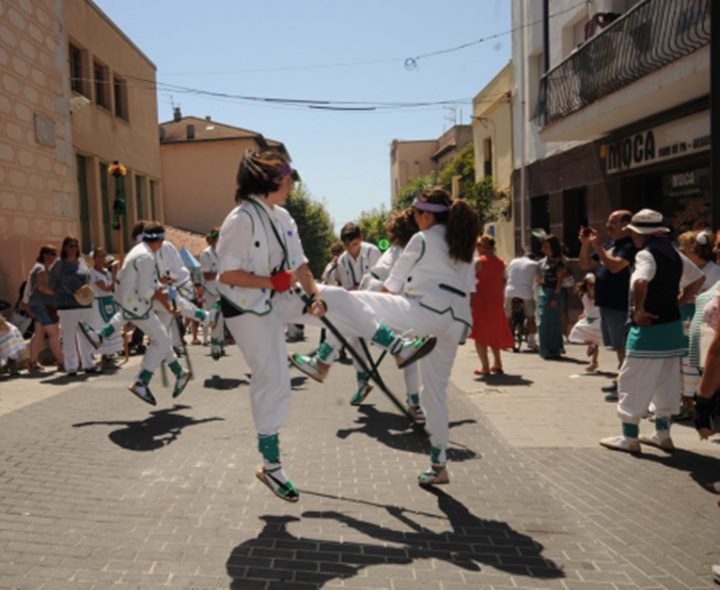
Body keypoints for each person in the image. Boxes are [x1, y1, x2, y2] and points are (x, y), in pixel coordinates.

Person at [217, 149, 438, 502]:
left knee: (340, 298)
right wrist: (270, 283)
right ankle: (270, 467)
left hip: (277, 296)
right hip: (245, 308)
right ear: (269, 178)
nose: (291, 183)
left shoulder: (284, 217)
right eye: (286, 176)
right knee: (273, 381)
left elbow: (301, 266)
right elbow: (225, 275)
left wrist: (316, 296)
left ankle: (397, 346)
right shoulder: (241, 219)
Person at [290, 186, 479, 487]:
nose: (415, 219)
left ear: (427, 215)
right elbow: (469, 290)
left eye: (417, 213)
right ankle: (439, 463)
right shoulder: (465, 245)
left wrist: (363, 308)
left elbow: (390, 286)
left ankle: (323, 357)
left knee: (345, 300)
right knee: (435, 394)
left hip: (425, 313)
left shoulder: (421, 240)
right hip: (456, 323)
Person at [599, 209, 686, 454]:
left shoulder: (646, 255)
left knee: (632, 380)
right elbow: (696, 279)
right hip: (672, 329)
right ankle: (662, 434)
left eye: (634, 232)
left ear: (640, 234)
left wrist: (639, 310)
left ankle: (630, 437)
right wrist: (677, 303)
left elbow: (639, 281)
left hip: (648, 331)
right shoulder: (674, 253)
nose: (632, 237)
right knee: (666, 382)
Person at [83, 222, 191, 405]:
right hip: (137, 304)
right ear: (159, 240)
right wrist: (165, 298)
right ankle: (143, 381)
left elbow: (148, 284)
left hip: (128, 301)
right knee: (162, 340)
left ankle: (100, 335)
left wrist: (164, 297)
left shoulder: (140, 251)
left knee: (153, 334)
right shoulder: (147, 257)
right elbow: (146, 291)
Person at [353, 208, 424, 423]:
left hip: (387, 311)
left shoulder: (394, 252)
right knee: (410, 353)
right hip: (413, 313)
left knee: (354, 337)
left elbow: (371, 278)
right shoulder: (424, 250)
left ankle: (362, 380)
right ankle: (414, 403)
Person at [579, 211, 637, 400]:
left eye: (613, 221)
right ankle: (622, 381)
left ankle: (625, 387)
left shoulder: (629, 246)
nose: (608, 224)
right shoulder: (609, 244)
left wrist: (597, 246)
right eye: (608, 220)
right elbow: (585, 264)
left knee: (622, 346)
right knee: (617, 346)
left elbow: (614, 266)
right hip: (605, 303)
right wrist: (586, 245)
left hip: (620, 303)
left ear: (626, 225)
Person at [336, 222, 382, 402]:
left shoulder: (372, 252)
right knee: (354, 342)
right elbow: (349, 289)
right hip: (357, 306)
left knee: (355, 339)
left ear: (360, 239)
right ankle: (362, 382)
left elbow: (375, 285)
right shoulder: (342, 260)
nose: (351, 249)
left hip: (377, 304)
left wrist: (358, 288)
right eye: (347, 246)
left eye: (354, 244)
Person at [48, 236, 98, 376]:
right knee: (69, 336)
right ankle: (71, 366)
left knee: (86, 334)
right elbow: (52, 285)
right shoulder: (59, 264)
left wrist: (85, 288)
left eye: (75, 245)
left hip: (85, 303)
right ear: (64, 247)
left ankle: (89, 363)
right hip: (67, 305)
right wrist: (69, 291)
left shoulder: (82, 261)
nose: (73, 248)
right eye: (70, 245)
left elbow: (89, 278)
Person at [469, 235, 514, 375]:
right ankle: (498, 363)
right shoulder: (501, 262)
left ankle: (485, 367)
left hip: (481, 301)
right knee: (493, 333)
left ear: (483, 247)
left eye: (478, 246)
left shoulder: (479, 262)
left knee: (479, 335)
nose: (477, 249)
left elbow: (470, 282)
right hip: (496, 301)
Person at [23, 244, 63, 372]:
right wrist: (57, 294)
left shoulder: (40, 267)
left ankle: (32, 363)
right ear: (44, 255)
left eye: (55, 255)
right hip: (41, 305)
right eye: (51, 254)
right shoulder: (41, 269)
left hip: (38, 305)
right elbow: (41, 287)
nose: (53, 257)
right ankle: (62, 363)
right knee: (53, 333)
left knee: (39, 334)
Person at [88, 247, 123, 365]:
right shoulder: (92, 273)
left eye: (103, 256)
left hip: (109, 302)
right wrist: (113, 276)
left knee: (111, 325)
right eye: (99, 256)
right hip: (98, 303)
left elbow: (115, 288)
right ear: (94, 258)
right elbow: (106, 288)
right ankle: (101, 354)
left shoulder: (106, 272)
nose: (101, 259)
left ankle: (109, 354)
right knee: (101, 326)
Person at [536, 235, 566, 359]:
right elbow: (541, 276)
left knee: (554, 322)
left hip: (554, 292)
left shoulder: (558, 261)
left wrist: (555, 296)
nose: (544, 248)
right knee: (543, 322)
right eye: (544, 246)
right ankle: (545, 348)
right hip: (543, 291)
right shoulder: (542, 261)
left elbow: (560, 280)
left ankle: (555, 348)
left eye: (547, 245)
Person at [504, 252, 539, 350]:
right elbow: (539, 279)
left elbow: (507, 275)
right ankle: (532, 342)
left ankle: (506, 341)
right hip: (526, 292)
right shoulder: (534, 264)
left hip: (510, 291)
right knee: (531, 317)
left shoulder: (513, 261)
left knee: (508, 317)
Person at [568, 273, 603, 373]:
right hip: (588, 318)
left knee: (596, 339)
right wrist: (583, 313)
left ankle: (594, 362)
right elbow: (586, 307)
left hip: (598, 319)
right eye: (589, 285)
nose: (592, 287)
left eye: (594, 285)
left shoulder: (601, 295)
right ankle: (591, 346)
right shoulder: (583, 295)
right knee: (575, 332)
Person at [200, 227, 226, 359]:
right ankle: (213, 344)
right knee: (214, 320)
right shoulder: (206, 254)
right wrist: (223, 273)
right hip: (210, 292)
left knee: (221, 319)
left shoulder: (223, 252)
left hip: (222, 291)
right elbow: (207, 275)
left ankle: (220, 344)